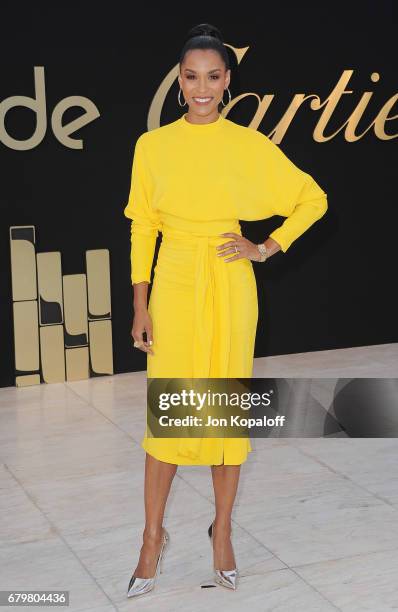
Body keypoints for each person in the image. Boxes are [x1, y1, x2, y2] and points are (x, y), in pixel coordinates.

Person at [125, 23, 328, 597]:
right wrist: (140, 305)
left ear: (228, 81)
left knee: (224, 413)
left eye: (213, 77)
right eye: (191, 77)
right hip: (175, 281)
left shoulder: (247, 145)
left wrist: (263, 248)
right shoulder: (153, 146)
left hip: (231, 281)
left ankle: (222, 534)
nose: (202, 88)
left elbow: (313, 198)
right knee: (169, 413)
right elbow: (143, 226)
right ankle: (151, 538)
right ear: (179, 81)